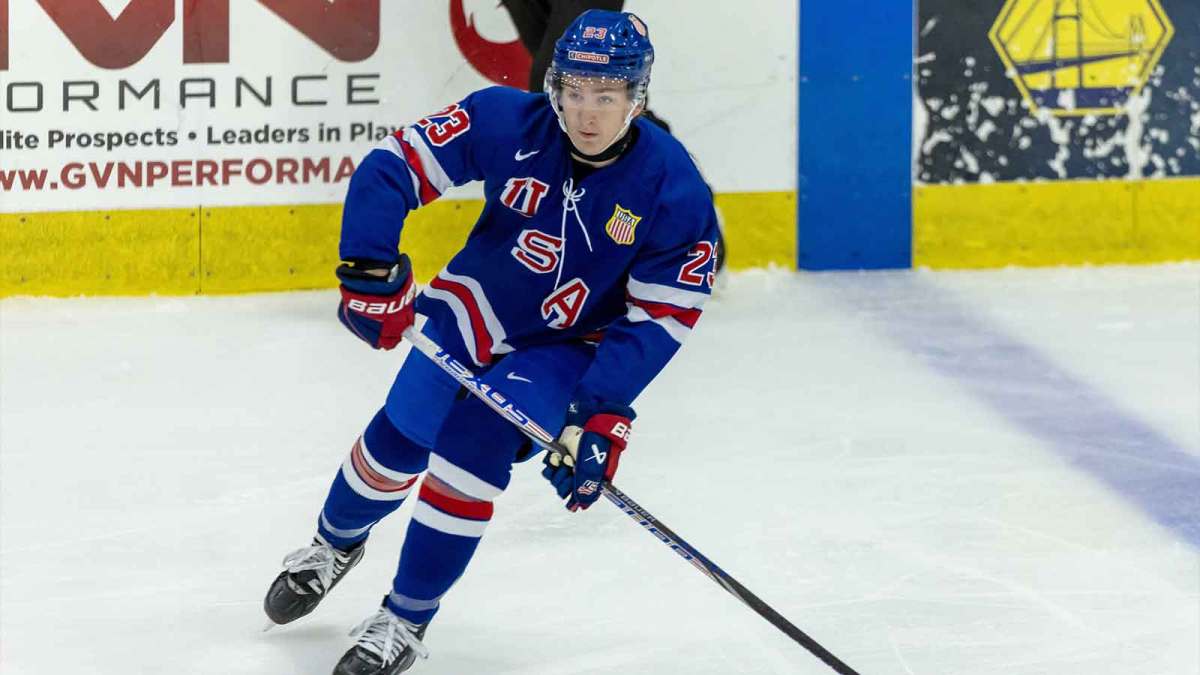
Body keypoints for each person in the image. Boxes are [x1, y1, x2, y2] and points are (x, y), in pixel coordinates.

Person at [263, 10, 719, 674]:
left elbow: (660, 317)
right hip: (479, 304)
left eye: (608, 97)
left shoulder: (672, 185)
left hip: (569, 344)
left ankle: (405, 618)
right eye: (576, 92)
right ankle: (332, 546)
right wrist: (368, 269)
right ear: (555, 86)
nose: (587, 114)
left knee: (472, 448)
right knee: (402, 432)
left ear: (637, 98)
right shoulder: (507, 121)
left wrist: (600, 408)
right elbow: (392, 168)